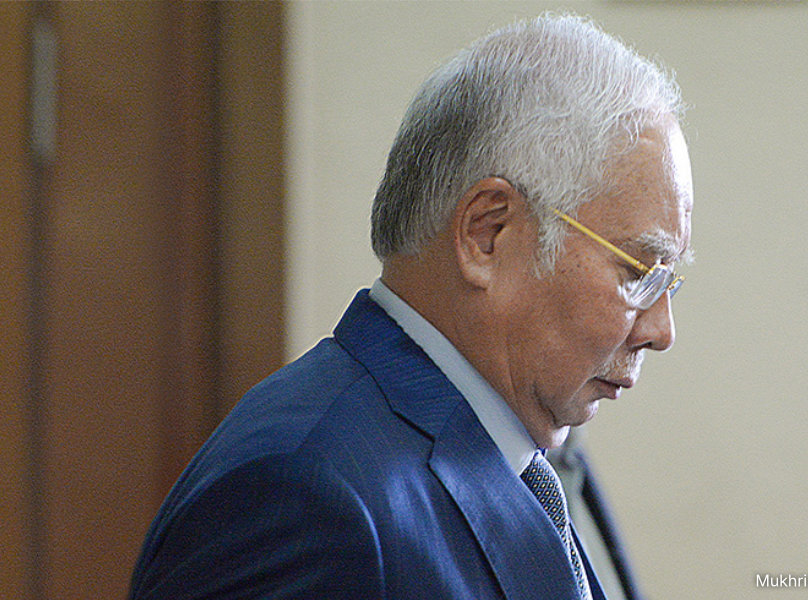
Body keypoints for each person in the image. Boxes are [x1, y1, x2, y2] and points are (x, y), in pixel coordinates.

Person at [129, 13, 693, 600]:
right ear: (487, 233)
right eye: (638, 271)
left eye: (668, 281)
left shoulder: (507, 461)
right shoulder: (301, 495)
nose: (662, 330)